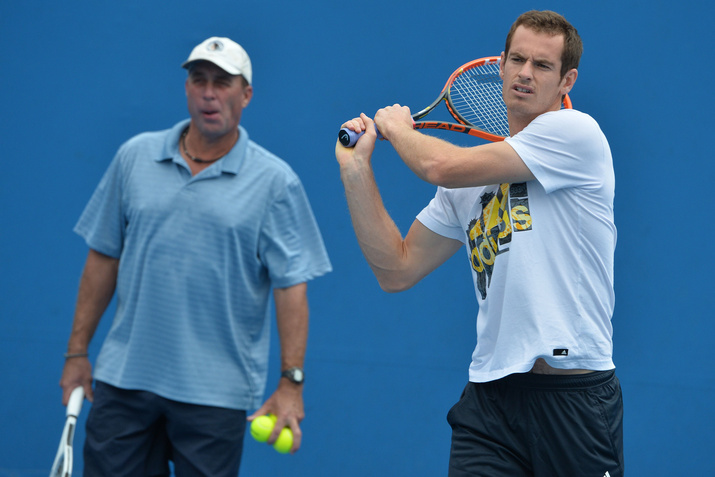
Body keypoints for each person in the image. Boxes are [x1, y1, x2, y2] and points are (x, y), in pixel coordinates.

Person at [335, 10, 623, 477]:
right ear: (502, 63)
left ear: (566, 80)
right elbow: (396, 269)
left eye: (543, 66)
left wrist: (402, 131)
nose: (525, 74)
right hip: (489, 400)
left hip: (574, 397)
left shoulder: (577, 135)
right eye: (517, 59)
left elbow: (439, 168)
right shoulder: (468, 183)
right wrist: (355, 170)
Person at [59, 36, 332, 476]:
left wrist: (291, 383)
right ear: (186, 88)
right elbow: (103, 258)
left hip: (215, 395)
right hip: (124, 381)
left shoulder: (275, 182)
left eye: (223, 83)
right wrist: (77, 353)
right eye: (199, 79)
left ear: (246, 95)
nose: (209, 92)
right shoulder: (134, 157)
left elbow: (291, 287)